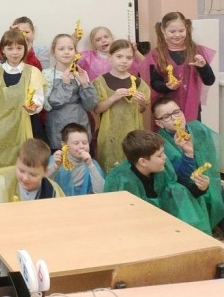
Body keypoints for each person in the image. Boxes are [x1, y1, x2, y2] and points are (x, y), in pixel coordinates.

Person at [104, 130, 211, 234]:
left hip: (164, 226)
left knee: (177, 188)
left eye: (163, 152)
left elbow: (181, 193)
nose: (165, 157)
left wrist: (201, 188)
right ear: (143, 162)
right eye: (159, 155)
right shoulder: (119, 180)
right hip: (136, 231)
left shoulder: (164, 168)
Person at [152, 96, 224, 230]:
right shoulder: (160, 143)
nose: (175, 118)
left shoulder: (198, 129)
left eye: (176, 112)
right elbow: (180, 178)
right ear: (159, 123)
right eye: (167, 116)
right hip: (184, 189)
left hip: (207, 179)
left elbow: (211, 158)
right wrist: (188, 153)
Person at [0, 29, 44, 179]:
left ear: (25, 49)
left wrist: (33, 107)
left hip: (26, 125)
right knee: (0, 166)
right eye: (10, 48)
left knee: (25, 164)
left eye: (19, 48)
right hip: (1, 128)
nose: (15, 52)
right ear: (3, 50)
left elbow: (38, 98)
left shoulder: (33, 72)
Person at [141, 11, 216, 122]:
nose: (177, 35)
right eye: (172, 31)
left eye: (181, 31)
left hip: (192, 109)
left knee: (190, 133)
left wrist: (203, 66)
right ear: (163, 30)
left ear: (186, 29)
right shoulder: (157, 55)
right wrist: (167, 86)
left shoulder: (196, 51)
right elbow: (154, 83)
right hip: (167, 111)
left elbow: (209, 81)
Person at [93, 39, 150, 172]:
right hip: (109, 136)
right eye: (119, 56)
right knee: (111, 169)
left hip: (133, 133)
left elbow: (142, 109)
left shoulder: (138, 83)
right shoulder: (100, 82)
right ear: (110, 57)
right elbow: (97, 109)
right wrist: (113, 97)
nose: (124, 61)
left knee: (133, 167)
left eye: (129, 58)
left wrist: (141, 103)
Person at [42, 34, 98, 151]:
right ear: (54, 51)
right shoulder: (46, 74)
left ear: (75, 52)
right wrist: (64, 85)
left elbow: (90, 106)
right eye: (61, 49)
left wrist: (85, 85)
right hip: (57, 127)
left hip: (80, 124)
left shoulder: (81, 73)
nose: (66, 52)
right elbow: (47, 106)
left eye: (70, 48)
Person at [0, 139, 64, 204]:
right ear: (16, 163)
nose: (25, 178)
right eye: (21, 170)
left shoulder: (53, 191)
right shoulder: (2, 183)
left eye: (33, 174)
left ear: (45, 172)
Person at [48, 123, 105, 195]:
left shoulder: (93, 164)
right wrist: (55, 168)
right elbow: (41, 186)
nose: (81, 146)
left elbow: (101, 191)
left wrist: (90, 165)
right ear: (64, 145)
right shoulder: (55, 160)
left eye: (85, 143)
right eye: (76, 143)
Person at [77, 26, 144, 80]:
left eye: (106, 37)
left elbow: (146, 65)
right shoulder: (88, 57)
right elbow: (72, 59)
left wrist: (135, 51)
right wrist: (75, 40)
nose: (103, 40)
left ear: (112, 38)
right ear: (93, 44)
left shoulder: (123, 55)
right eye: (98, 40)